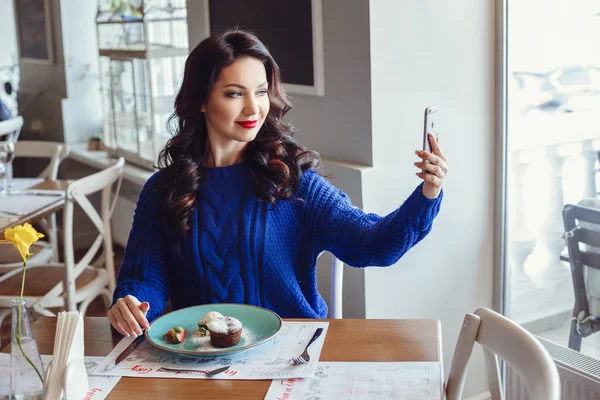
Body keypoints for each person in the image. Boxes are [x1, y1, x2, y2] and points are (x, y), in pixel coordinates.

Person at [108, 30, 449, 337]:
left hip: (292, 356)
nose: (253, 107)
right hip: (202, 363)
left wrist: (427, 194)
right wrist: (133, 304)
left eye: (260, 91)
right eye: (233, 94)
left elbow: (375, 244)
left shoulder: (294, 183)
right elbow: (144, 278)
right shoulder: (163, 189)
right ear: (201, 100)